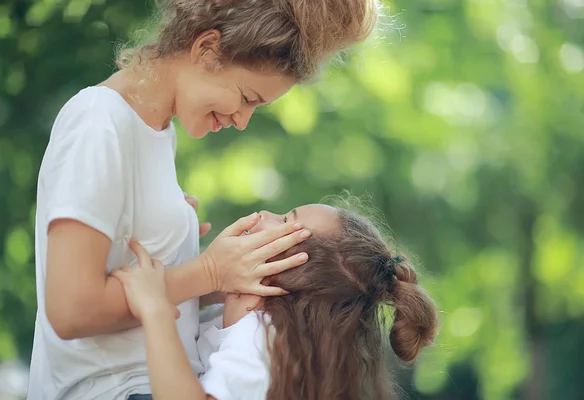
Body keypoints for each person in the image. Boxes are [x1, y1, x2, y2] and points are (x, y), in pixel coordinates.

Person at [28, 0, 381, 397]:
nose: (243, 121)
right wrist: (208, 271)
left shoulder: (158, 134)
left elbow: (135, 280)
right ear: (206, 49)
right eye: (247, 97)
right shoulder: (99, 122)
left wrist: (214, 272)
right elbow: (71, 310)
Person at [113, 204, 439, 400]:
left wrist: (155, 310)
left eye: (284, 221)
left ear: (287, 275)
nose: (263, 215)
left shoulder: (262, 341)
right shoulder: (250, 324)